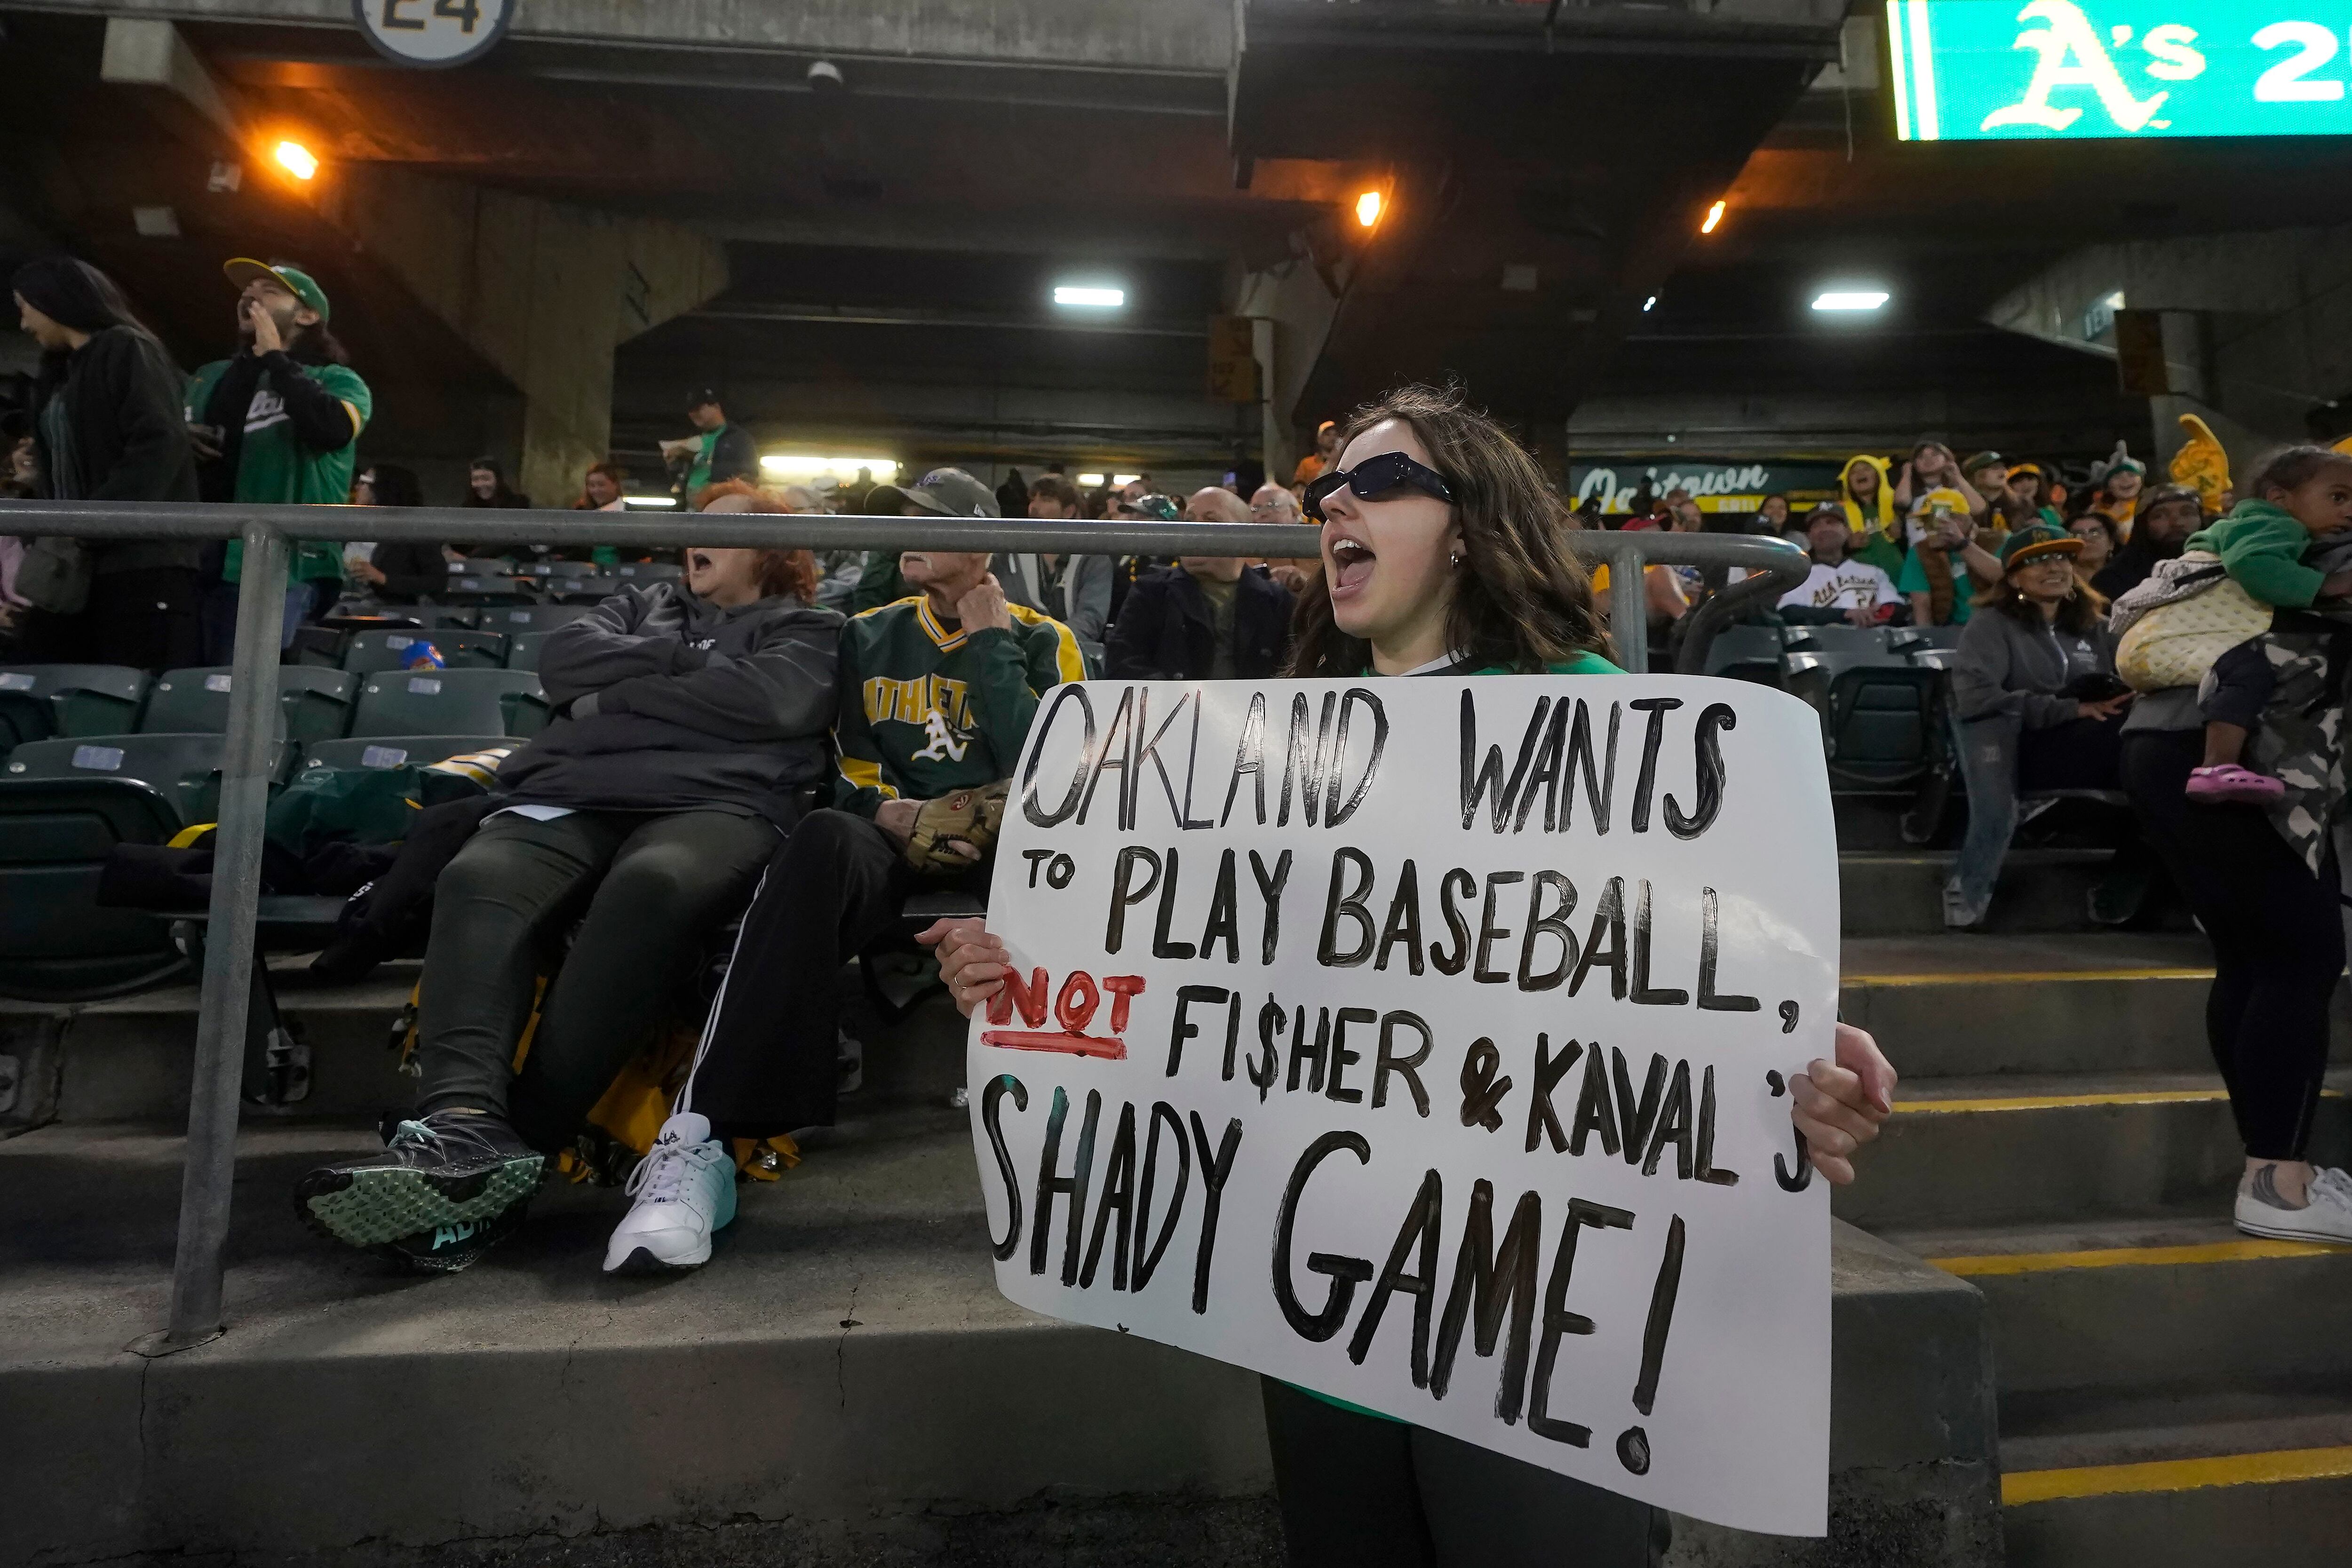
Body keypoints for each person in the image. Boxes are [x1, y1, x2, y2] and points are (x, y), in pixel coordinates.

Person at [924, 382, 1897, 1568]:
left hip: (1538, 1330)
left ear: (1474, 529)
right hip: (1325, 1310)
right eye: (1331, 486)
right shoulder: (1268, 750)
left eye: (1380, 481)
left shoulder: (1602, 721)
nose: (1336, 500)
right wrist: (1021, 980)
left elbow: (1716, 988)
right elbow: (1188, 982)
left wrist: (1797, 1079)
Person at [292, 503, 842, 1273]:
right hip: (574, 789)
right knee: (481, 873)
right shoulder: (640, 604)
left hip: (723, 801)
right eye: (691, 521)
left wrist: (620, 694)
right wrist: (697, 680)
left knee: (654, 882)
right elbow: (564, 662)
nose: (693, 538)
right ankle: (461, 1122)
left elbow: (775, 704)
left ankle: (509, 1148)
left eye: (721, 525)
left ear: (777, 550)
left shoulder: (810, 629)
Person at [596, 540, 1085, 1274]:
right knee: (822, 837)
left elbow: (1060, 769)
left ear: (983, 543)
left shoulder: (1046, 637)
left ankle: (1091, 1137)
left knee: (1076, 866)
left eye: (933, 524)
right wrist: (897, 814)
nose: (908, 537)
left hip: (1012, 836)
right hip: (895, 828)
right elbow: (846, 759)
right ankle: (705, 1138)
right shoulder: (869, 630)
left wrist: (991, 643)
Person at [2118, 449, 2352, 1244]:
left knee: (2253, 956)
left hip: (2162, 741)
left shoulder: (2241, 544)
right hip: (2243, 752)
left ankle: (2272, 1170)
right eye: (2340, 495)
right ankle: (2278, 1184)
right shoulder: (2309, 551)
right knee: (2302, 954)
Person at [9, 255, 203, 669]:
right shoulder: (60, 373)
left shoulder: (127, 349)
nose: (25, 325)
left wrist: (94, 521)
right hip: (75, 566)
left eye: (25, 309)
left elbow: (159, 442)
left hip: (139, 564)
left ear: (52, 301)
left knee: (120, 693)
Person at [1942, 524, 2130, 928]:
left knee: (2160, 758)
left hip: (2085, 740)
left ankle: (2129, 890)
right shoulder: (1990, 624)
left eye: (2062, 558)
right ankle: (1969, 886)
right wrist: (2068, 710)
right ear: (2012, 578)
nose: (2054, 567)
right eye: (2037, 560)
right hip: (2011, 737)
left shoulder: (2097, 626)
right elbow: (1977, 699)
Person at [185, 258, 369, 655]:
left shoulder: (337, 379)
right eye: (246, 291)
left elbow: (332, 430)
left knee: (242, 688)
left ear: (307, 315)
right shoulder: (210, 377)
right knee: (189, 688)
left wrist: (276, 358)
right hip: (203, 553)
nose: (251, 296)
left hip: (284, 563)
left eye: (269, 291)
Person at [2171, 449, 2352, 803]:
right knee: (2251, 669)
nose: (2349, 510)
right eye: (2338, 497)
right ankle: (2217, 766)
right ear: (2278, 498)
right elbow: (2252, 563)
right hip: (2210, 632)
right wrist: (2326, 585)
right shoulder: (2272, 523)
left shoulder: (2276, 526)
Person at [1104, 488, 1294, 680]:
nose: (1196, 529)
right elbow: (1121, 667)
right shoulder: (1150, 594)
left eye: (1211, 520)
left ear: (1244, 532)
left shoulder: (1278, 603)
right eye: (1190, 520)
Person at [848, 466, 1002, 613]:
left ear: (979, 544)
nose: (907, 535)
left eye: (926, 521)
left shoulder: (1025, 631)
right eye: (905, 521)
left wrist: (991, 636)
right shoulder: (869, 629)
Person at [1013, 471, 1112, 662]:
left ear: (1068, 511)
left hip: (1074, 656)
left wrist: (1048, 644)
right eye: (1033, 499)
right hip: (1019, 654)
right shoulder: (1011, 555)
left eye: (1046, 500)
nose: (1034, 506)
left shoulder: (1094, 559)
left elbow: (1091, 617)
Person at [346, 464, 458, 601]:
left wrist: (382, 579)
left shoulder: (415, 533)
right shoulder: (350, 528)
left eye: (364, 482)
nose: (357, 487)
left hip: (392, 610)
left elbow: (436, 582)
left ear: (381, 489)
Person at [1782, 504, 1901, 627]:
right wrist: (1844, 614)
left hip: (1875, 639)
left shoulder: (1874, 572)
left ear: (1847, 531)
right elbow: (1788, 611)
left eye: (1831, 522)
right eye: (1817, 525)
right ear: (1809, 537)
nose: (1825, 529)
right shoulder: (1800, 576)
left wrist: (1878, 614)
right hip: (1823, 641)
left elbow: (1896, 607)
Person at [1897, 490, 2002, 629]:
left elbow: (2006, 578)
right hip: (1949, 633)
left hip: (1998, 628)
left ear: (1959, 521)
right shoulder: (1920, 552)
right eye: (1924, 521)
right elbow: (1922, 608)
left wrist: (1962, 545)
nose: (1927, 529)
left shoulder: (1996, 541)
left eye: (1932, 521)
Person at [2092, 483, 2201, 600]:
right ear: (2143, 525)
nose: (2176, 523)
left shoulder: (2221, 564)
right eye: (2160, 516)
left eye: (2187, 513)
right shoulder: (2112, 580)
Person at [660, 386, 758, 503]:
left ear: (716, 407)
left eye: (698, 408)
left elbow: (750, 476)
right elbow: (678, 479)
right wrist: (673, 463)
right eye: (690, 410)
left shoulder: (738, 438)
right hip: (691, 505)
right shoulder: (692, 438)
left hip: (722, 504)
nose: (693, 414)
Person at [1836, 454, 1904, 576]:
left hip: (1900, 578)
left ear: (1879, 475)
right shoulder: (1839, 512)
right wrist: (1848, 546)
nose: (1860, 473)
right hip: (1859, 581)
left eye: (1867, 469)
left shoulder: (1898, 502)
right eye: (1853, 472)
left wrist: (1903, 534)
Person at [2092, 442, 2147, 531]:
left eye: (2131, 475)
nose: (2125, 480)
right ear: (2108, 487)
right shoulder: (2099, 514)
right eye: (2117, 477)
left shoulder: (2153, 504)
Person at [2068, 512, 2121, 586]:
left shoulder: (2125, 578)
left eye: (2095, 533)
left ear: (2111, 544)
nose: (2087, 538)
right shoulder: (2061, 583)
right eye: (2078, 535)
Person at [462, 456, 531, 510]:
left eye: (486, 478)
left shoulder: (519, 505)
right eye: (475, 479)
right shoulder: (467, 507)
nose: (481, 484)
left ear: (498, 480)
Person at [1291, 420, 1340, 488]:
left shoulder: (1342, 463)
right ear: (1319, 439)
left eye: (1335, 435)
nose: (1332, 438)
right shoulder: (1307, 463)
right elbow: (1298, 489)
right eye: (1328, 434)